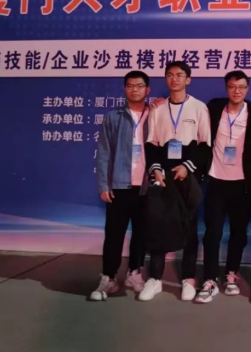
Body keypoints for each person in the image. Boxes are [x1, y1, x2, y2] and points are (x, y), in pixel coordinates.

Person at [139, 61, 211, 302]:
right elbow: (151, 143)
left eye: (180, 75)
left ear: (188, 79)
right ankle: (155, 279)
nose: (174, 79)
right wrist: (156, 169)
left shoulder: (199, 108)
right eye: (169, 75)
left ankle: (188, 279)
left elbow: (205, 145)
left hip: (188, 175)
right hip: (163, 176)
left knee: (190, 227)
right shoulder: (158, 109)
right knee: (157, 225)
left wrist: (187, 167)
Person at [195, 71, 251, 303]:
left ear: (247, 89)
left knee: (239, 233)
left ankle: (231, 274)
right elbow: (189, 113)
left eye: (241, 87)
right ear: (226, 88)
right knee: (212, 233)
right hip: (216, 180)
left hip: (242, 183)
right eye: (232, 86)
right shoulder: (213, 108)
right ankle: (210, 278)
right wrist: (158, 105)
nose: (237, 91)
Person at [90, 70, 151, 301]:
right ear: (125, 89)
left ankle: (135, 273)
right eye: (130, 86)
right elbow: (104, 152)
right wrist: (103, 185)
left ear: (147, 89)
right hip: (119, 185)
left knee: (142, 234)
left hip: (146, 186)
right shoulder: (113, 117)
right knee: (114, 234)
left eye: (139, 85)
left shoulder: (155, 115)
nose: (135, 89)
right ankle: (109, 277)